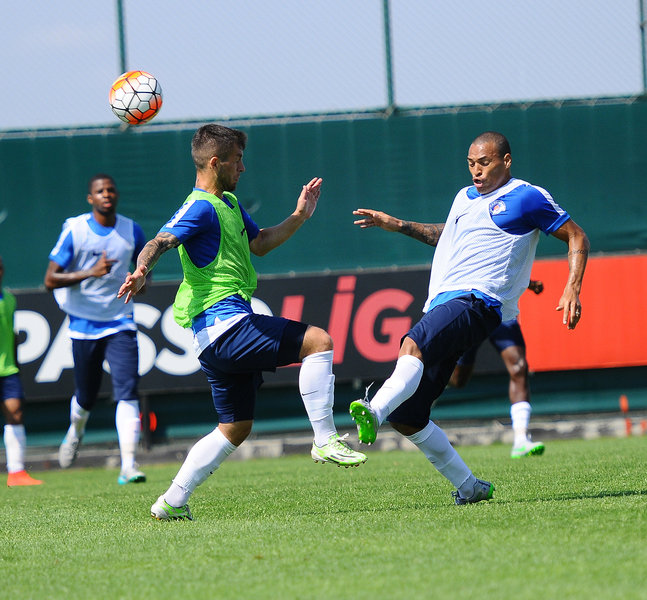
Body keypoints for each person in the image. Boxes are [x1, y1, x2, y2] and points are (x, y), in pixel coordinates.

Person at [118, 123, 366, 521]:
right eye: (237, 160)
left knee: (235, 428)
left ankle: (171, 502)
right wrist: (141, 269)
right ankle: (325, 439)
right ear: (215, 163)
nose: (243, 168)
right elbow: (160, 240)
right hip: (225, 326)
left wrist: (300, 215)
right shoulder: (200, 206)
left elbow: (260, 244)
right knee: (318, 341)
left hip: (214, 337)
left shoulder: (229, 204)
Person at [350, 131, 589, 505]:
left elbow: (576, 236)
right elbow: (446, 236)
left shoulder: (526, 196)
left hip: (479, 301)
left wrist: (572, 287)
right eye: (471, 164)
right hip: (443, 301)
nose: (476, 171)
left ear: (506, 161)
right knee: (409, 416)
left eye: (485, 163)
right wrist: (396, 224)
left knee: (411, 343)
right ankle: (470, 486)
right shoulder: (464, 197)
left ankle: (374, 411)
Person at [44, 174, 147, 485]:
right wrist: (91, 272)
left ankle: (128, 465)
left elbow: (143, 279)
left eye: (111, 189)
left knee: (128, 391)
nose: (107, 194)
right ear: (90, 198)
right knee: (86, 397)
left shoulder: (132, 230)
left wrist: (137, 282)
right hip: (83, 323)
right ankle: (75, 431)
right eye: (100, 191)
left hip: (120, 320)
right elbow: (50, 280)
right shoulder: (75, 230)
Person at [449, 279, 546, 459]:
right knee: (458, 379)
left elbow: (507, 269)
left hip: (501, 311)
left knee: (519, 367)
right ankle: (435, 383)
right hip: (471, 310)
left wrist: (528, 282)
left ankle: (521, 440)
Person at [0, 257, 43, 487]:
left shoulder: (9, 298)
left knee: (15, 414)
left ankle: (16, 472)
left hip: (8, 368)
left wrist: (15, 362)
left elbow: (12, 333)